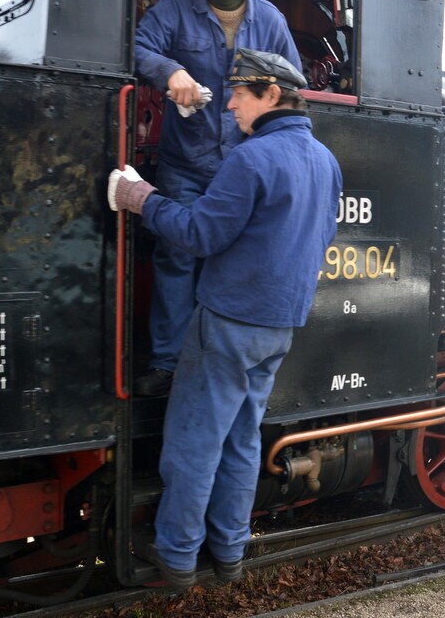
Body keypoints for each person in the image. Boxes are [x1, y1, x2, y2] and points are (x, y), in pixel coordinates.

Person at [108, 49, 341, 587]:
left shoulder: (250, 158)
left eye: (241, 93)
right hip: (280, 326)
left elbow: (199, 235)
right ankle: (230, 552)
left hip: (230, 322)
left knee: (195, 439)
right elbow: (324, 237)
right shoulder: (324, 160)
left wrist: (141, 197)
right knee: (242, 438)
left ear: (272, 96)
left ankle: (177, 556)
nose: (230, 103)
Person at [133, 0, 302, 397]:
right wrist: (171, 72)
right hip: (186, 160)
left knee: (236, 257)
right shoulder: (174, 9)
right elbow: (139, 46)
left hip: (245, 164)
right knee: (176, 255)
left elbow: (292, 83)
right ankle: (168, 365)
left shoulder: (270, 20)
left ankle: (217, 360)